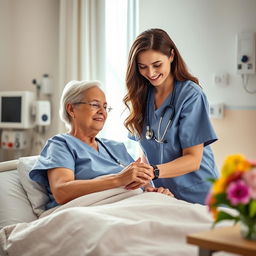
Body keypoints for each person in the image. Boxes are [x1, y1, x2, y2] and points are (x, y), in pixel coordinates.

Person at [29, 80, 172, 210]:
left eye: (105, 107)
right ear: (71, 109)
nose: (102, 112)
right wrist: (118, 179)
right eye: (95, 105)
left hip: (133, 205)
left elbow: (144, 186)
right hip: (97, 211)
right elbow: (62, 191)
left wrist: (156, 193)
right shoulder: (61, 145)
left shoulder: (116, 147)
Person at [123, 28, 218, 205]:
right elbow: (146, 148)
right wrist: (147, 181)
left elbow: (193, 159)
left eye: (157, 65)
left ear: (171, 56)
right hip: (165, 194)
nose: (150, 73)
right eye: (143, 67)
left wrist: (154, 171)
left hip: (199, 193)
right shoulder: (141, 95)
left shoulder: (191, 95)